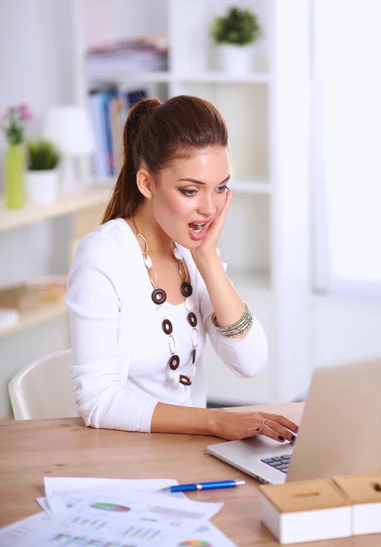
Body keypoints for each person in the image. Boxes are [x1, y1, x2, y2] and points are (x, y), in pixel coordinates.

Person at [65, 95, 298, 443]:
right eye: (191, 190)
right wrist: (215, 423)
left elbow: (250, 362)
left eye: (221, 188)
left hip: (189, 452)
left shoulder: (192, 249)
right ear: (147, 183)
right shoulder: (102, 256)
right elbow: (98, 401)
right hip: (124, 456)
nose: (209, 208)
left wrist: (207, 259)